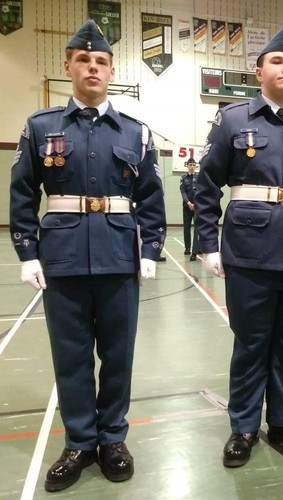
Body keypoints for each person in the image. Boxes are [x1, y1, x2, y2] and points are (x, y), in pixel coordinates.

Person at [9, 20, 166, 492]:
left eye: (100, 62)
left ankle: (113, 439)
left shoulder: (135, 132)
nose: (92, 68)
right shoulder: (41, 127)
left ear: (111, 71)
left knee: (118, 355)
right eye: (84, 60)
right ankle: (79, 441)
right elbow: (21, 193)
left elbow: (152, 197)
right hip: (63, 258)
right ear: (68, 67)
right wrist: (27, 252)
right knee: (72, 356)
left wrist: (151, 248)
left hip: (119, 256)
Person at [195, 28, 283, 468]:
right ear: (259, 72)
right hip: (249, 252)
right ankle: (243, 426)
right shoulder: (234, 120)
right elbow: (206, 186)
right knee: (252, 342)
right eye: (277, 62)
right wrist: (208, 244)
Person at [180, 157, 200, 260]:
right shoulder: (183, 178)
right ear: (187, 166)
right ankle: (187, 247)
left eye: (193, 165)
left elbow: (200, 191)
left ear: (195, 166)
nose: (192, 167)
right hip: (187, 207)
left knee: (197, 229)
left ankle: (195, 251)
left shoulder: (199, 177)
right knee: (186, 228)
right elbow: (183, 192)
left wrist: (195, 204)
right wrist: (188, 203)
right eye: (190, 165)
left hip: (197, 207)